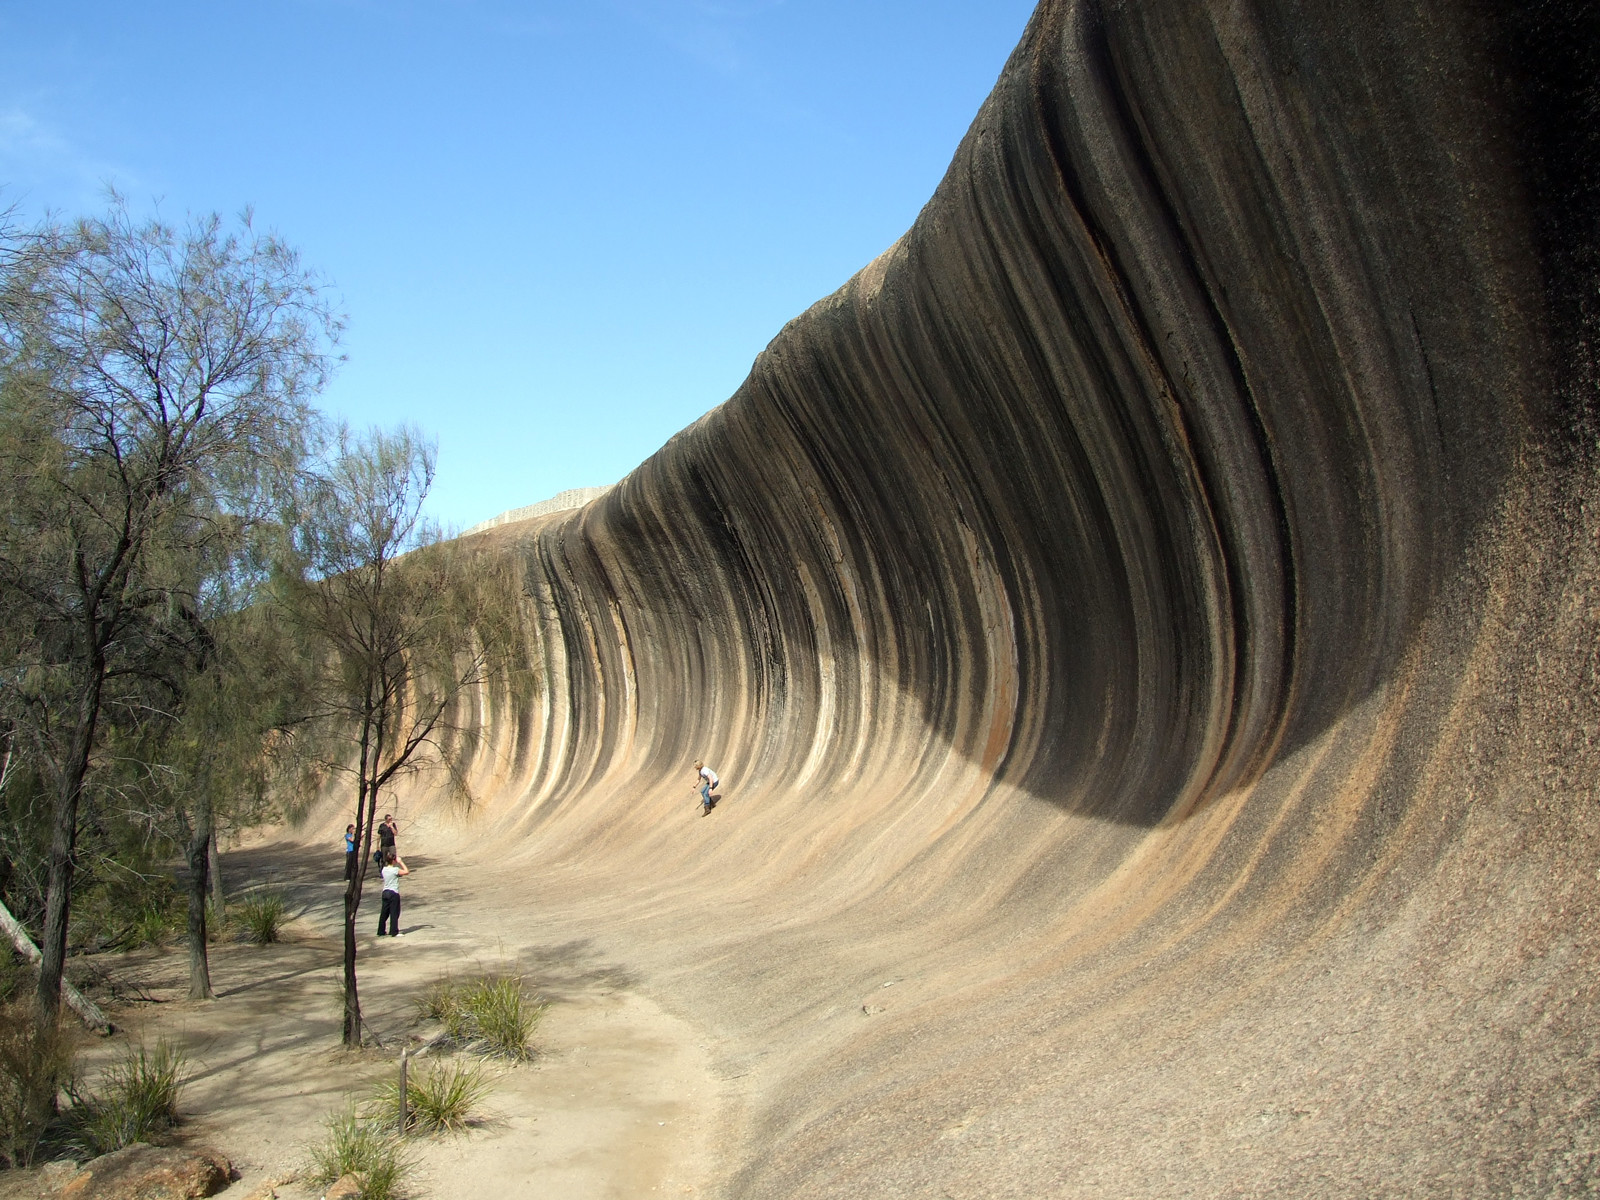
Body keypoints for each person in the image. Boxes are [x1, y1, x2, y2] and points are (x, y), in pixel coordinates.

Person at [377, 850, 409, 937]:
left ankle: (381, 931)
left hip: (385, 892)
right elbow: (406, 871)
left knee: (384, 913)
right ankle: (394, 931)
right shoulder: (395, 870)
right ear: (393, 861)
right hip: (393, 892)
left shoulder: (384, 869)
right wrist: (401, 862)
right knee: (394, 912)